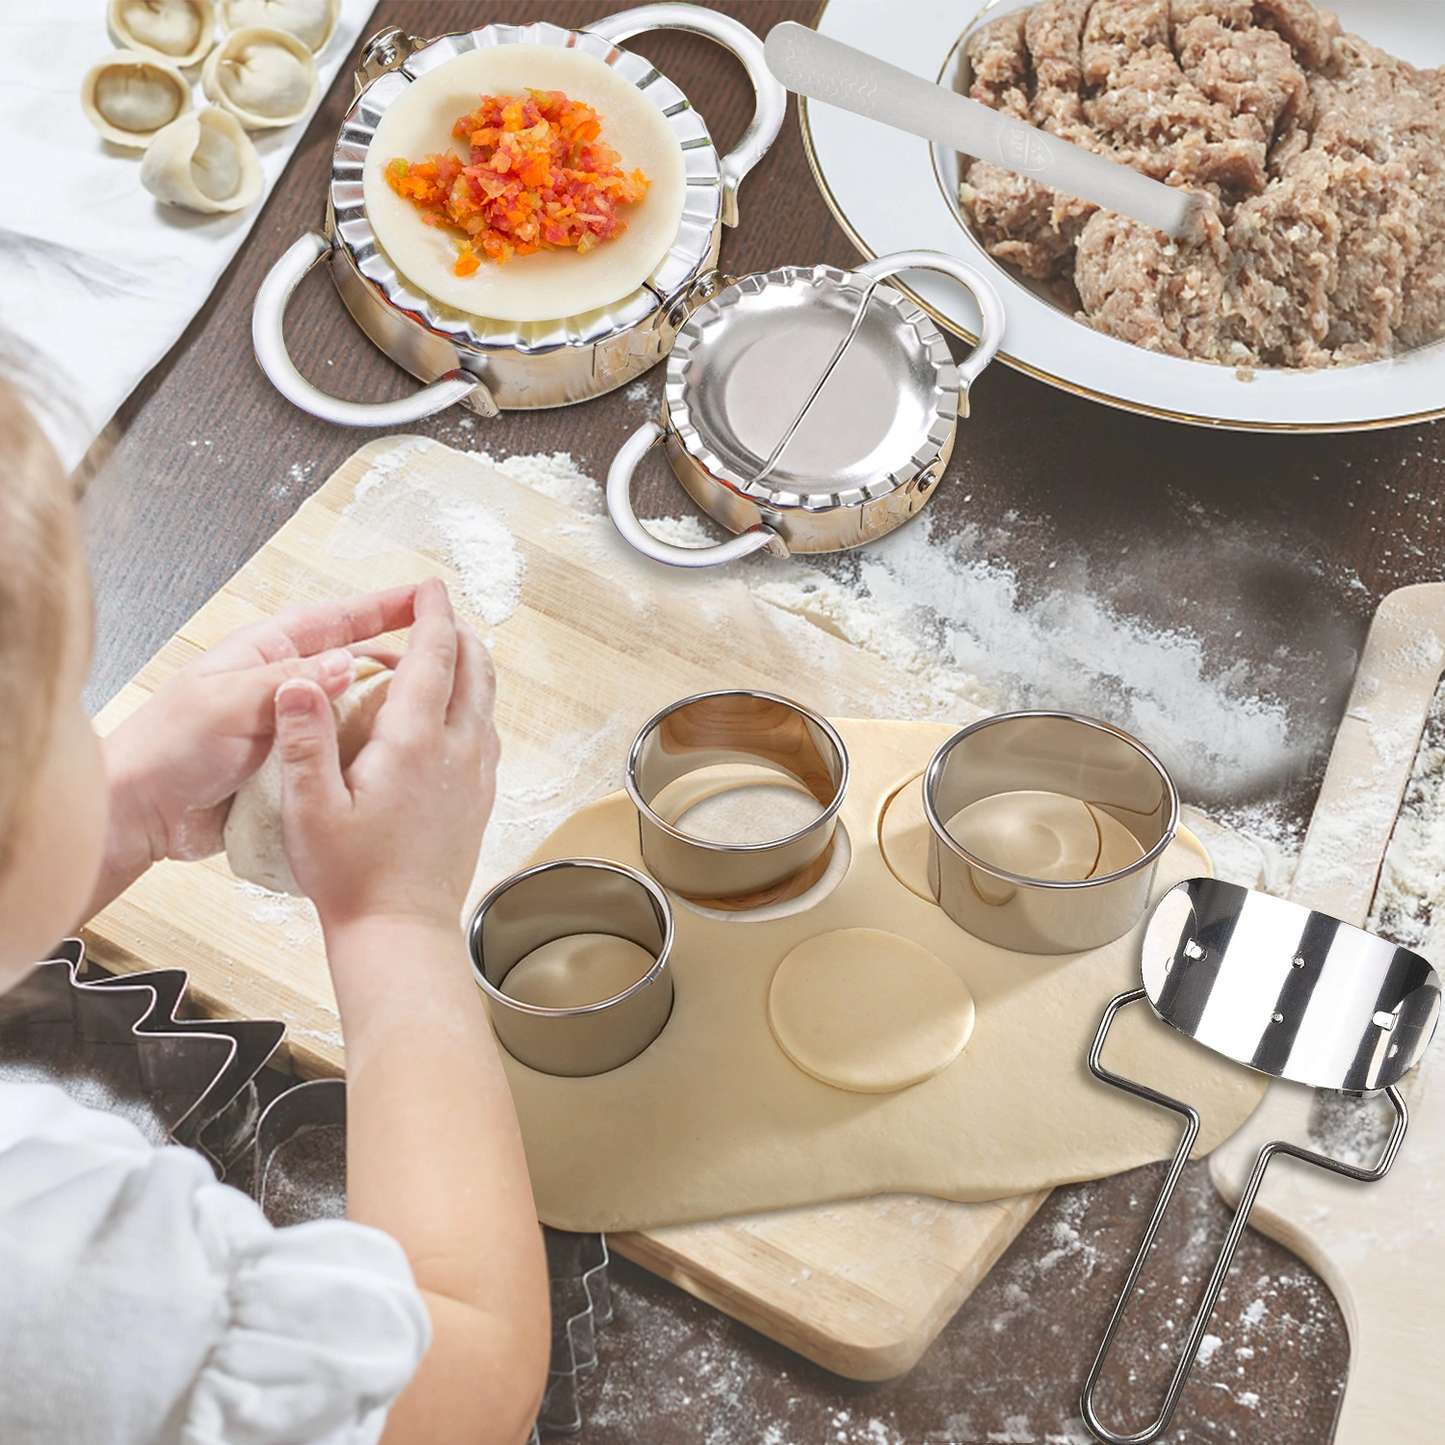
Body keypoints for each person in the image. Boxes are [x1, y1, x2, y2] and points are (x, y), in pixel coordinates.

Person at [0, 370, 551, 1444]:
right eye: (65, 708)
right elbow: (464, 1388)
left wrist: (119, 811)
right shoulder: (39, 1261)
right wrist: (395, 914)